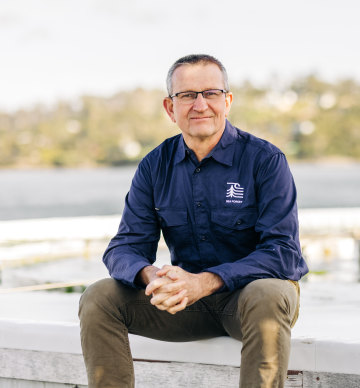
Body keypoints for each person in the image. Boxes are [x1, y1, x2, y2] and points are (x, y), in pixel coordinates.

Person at [78, 54, 309, 388]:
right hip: (187, 305)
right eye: (187, 95)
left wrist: (207, 281)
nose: (200, 104)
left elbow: (283, 253)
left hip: (249, 304)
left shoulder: (265, 161)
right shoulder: (154, 166)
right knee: (99, 297)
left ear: (227, 102)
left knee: (268, 294)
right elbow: (124, 248)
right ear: (170, 108)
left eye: (211, 93)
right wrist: (152, 276)